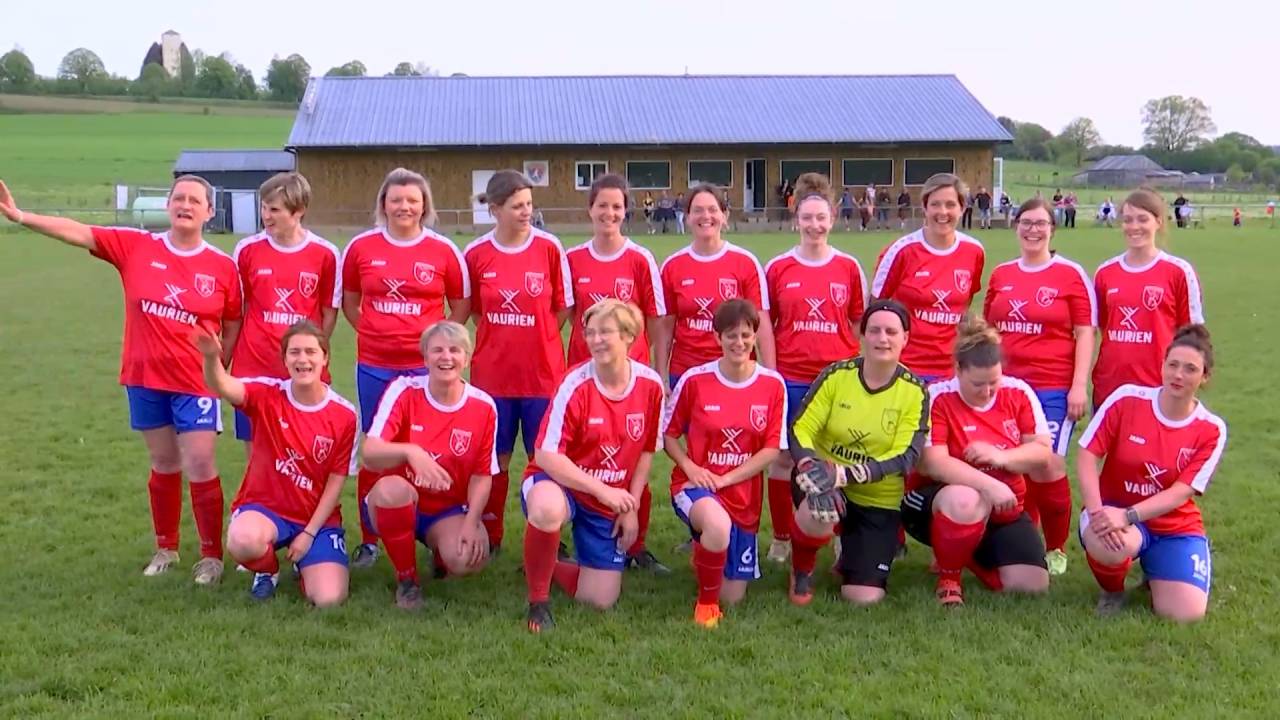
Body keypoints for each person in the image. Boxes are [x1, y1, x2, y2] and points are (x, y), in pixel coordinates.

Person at [0, 175, 240, 584]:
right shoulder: (137, 246)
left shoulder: (222, 266)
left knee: (199, 461)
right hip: (144, 376)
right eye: (178, 198)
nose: (185, 205)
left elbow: (233, 322)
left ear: (209, 212)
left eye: (194, 200)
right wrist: (20, 215)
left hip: (195, 382)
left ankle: (211, 556)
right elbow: (78, 232)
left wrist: (217, 369)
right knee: (163, 463)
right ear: (168, 206)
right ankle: (166, 548)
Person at [343, 168, 471, 569]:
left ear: (424, 206)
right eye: (396, 199)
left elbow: (461, 305)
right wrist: (377, 333)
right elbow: (350, 301)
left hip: (425, 371)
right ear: (383, 203)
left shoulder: (443, 250)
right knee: (376, 449)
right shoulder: (361, 247)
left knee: (435, 447)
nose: (404, 207)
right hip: (376, 366)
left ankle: (437, 528)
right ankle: (369, 538)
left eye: (412, 200)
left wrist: (437, 348)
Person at [520, 300, 666, 632]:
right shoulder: (574, 384)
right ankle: (538, 602)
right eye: (590, 333)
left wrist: (630, 506)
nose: (595, 340)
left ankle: (548, 563)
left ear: (629, 336)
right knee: (546, 508)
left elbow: (646, 452)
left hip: (608, 497)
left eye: (605, 332)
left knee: (599, 600)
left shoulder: (650, 386)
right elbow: (545, 455)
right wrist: (604, 490)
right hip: (560, 481)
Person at [193, 321, 356, 605]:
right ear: (284, 359)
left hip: (314, 518)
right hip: (266, 510)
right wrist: (211, 357)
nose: (302, 360)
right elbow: (223, 385)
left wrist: (308, 533)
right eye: (294, 352)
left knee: (329, 599)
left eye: (310, 352)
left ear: (325, 357)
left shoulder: (344, 414)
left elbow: (336, 480)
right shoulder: (267, 393)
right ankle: (268, 570)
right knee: (243, 540)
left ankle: (306, 563)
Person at [1077, 325, 1226, 622]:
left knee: (1185, 615)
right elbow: (1086, 454)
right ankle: (1113, 590)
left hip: (1173, 526)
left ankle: (1157, 567)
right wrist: (1097, 513)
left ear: (1205, 377)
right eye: (1172, 365)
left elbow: (1181, 492)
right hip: (1112, 511)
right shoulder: (1127, 399)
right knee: (1105, 540)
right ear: (1162, 365)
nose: (1178, 375)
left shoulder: (1211, 428)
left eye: (1190, 369)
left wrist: (1128, 515)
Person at [902, 315, 1053, 606]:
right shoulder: (937, 396)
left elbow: (1042, 452)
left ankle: (966, 551)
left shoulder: (1019, 392)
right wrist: (989, 485)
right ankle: (950, 578)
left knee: (1031, 586)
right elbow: (934, 463)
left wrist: (1002, 457)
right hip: (934, 504)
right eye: (977, 384)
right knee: (965, 499)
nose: (986, 392)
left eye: (993, 382)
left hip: (1005, 508)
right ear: (958, 369)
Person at [787, 300, 929, 606]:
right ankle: (802, 567)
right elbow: (801, 427)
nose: (882, 338)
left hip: (877, 499)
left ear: (906, 337)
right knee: (819, 509)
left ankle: (849, 557)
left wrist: (843, 474)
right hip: (821, 482)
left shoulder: (915, 391)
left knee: (864, 597)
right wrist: (811, 464)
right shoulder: (837, 375)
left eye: (891, 331)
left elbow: (905, 457)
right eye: (874, 330)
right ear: (861, 336)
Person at [984, 198, 1097, 575]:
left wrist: (1078, 385)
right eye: (1026, 222)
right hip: (1006, 387)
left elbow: (1084, 331)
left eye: (1041, 223)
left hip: (1051, 387)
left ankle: (1056, 548)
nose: (1033, 230)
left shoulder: (1070, 274)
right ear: (1016, 226)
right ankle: (1024, 537)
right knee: (1016, 463)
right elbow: (988, 329)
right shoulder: (1001, 274)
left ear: (1053, 228)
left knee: (1045, 463)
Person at [464, 169, 572, 555]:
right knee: (496, 460)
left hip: (542, 376)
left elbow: (561, 309)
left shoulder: (549, 248)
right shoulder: (476, 254)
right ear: (495, 209)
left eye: (529, 204)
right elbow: (477, 312)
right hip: (493, 378)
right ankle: (492, 536)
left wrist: (536, 336)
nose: (526, 212)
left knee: (546, 458)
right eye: (517, 206)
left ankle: (548, 536)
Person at [763, 172, 867, 563]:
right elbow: (765, 327)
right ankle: (781, 538)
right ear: (796, 219)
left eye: (821, 218)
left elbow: (858, 324)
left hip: (836, 380)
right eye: (807, 218)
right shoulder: (778, 268)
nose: (814, 225)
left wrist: (857, 373)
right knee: (783, 459)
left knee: (835, 456)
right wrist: (771, 374)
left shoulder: (848, 267)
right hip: (790, 376)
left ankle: (838, 533)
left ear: (833, 218)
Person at [663, 299, 787, 627]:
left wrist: (728, 478)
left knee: (735, 595)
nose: (739, 342)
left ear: (755, 336)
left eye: (746, 334)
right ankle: (705, 608)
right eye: (730, 335)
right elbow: (669, 435)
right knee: (717, 526)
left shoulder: (772, 384)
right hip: (696, 486)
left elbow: (771, 450)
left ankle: (704, 555)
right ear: (717, 338)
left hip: (742, 494)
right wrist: (691, 469)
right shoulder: (695, 380)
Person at [566, 174, 667, 567]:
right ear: (589, 208)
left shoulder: (639, 258)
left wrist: (658, 371)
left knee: (633, 461)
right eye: (602, 205)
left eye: (617, 206)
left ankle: (636, 545)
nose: (609, 213)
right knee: (581, 461)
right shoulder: (572, 259)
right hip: (585, 378)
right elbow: (566, 315)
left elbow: (656, 319)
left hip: (632, 379)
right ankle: (578, 538)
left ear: (626, 211)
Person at [361, 321, 499, 609]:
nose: (445, 357)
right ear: (424, 358)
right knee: (390, 491)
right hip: (400, 500)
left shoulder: (483, 406)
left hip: (446, 510)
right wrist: (411, 452)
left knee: (468, 559)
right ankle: (408, 581)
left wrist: (473, 523)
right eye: (436, 350)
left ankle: (440, 554)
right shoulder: (404, 390)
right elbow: (370, 452)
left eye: (454, 350)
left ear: (467, 357)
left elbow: (482, 475)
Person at [230, 173, 341, 449]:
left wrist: (308, 353)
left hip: (301, 368)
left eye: (275, 210)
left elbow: (328, 314)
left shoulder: (325, 254)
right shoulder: (246, 250)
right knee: (257, 455)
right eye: (264, 208)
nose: (266, 216)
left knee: (300, 452)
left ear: (299, 210)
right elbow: (237, 309)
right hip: (254, 367)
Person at [1092, 189, 1204, 408]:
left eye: (1143, 219)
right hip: (1109, 388)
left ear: (1159, 222)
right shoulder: (1105, 272)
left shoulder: (1178, 271)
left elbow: (1192, 335)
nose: (1134, 227)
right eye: (1128, 220)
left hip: (1158, 389)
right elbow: (1105, 327)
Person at [658, 183, 776, 390]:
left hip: (736, 373)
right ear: (687, 217)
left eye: (713, 210)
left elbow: (762, 324)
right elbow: (665, 329)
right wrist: (661, 378)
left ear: (724, 216)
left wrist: (772, 377)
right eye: (698, 210)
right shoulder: (673, 266)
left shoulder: (745, 262)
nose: (706, 216)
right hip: (686, 373)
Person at [871, 172, 985, 382]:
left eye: (950, 204)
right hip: (904, 369)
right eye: (935, 204)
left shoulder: (974, 251)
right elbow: (875, 309)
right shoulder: (901, 251)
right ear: (924, 207)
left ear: (962, 208)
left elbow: (964, 304)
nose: (943, 212)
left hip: (952, 371)